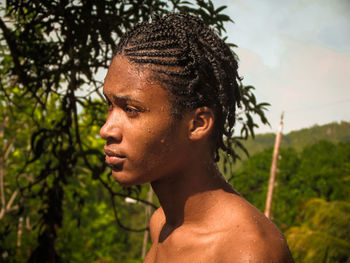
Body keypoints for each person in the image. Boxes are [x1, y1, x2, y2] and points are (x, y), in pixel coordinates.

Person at [100, 13, 294, 263]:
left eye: (131, 110)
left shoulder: (246, 252)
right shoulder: (162, 223)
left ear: (197, 124)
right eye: (110, 105)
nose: (107, 129)